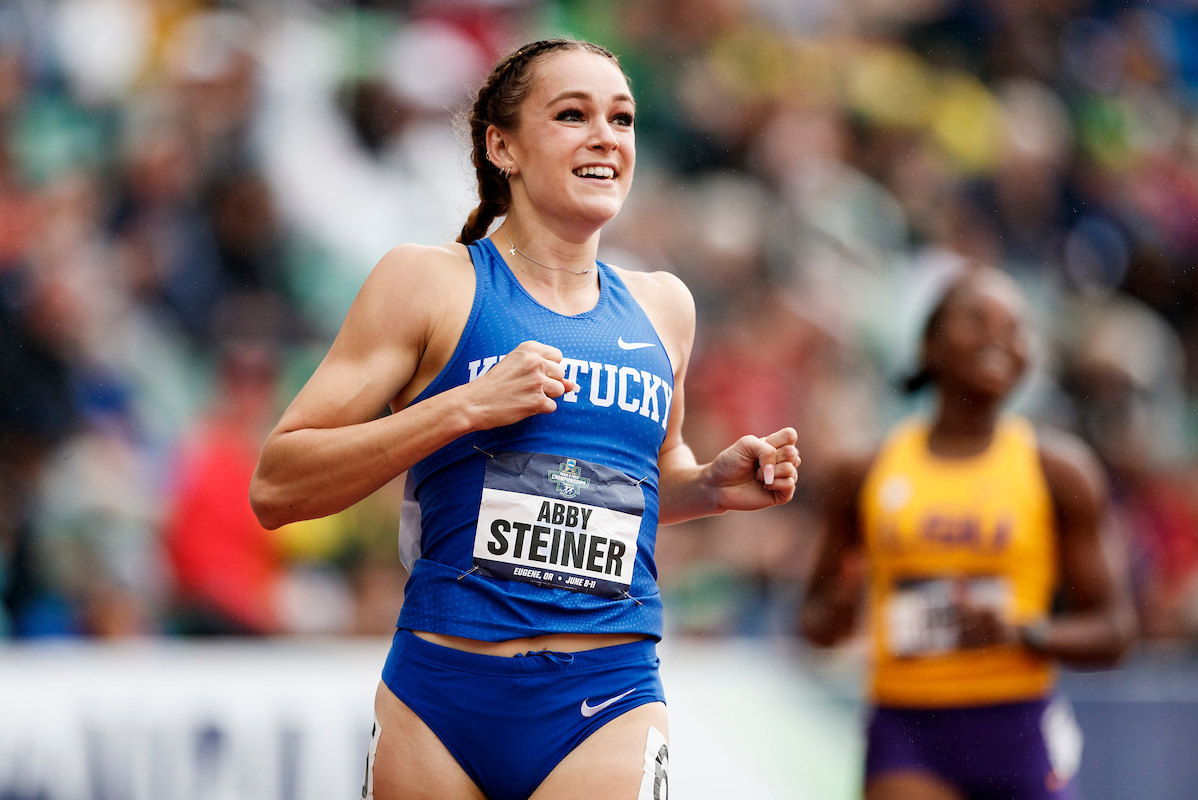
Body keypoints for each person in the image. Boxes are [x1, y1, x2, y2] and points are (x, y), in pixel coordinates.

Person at [250, 39, 800, 800]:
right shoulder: (429, 283)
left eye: (623, 118)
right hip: (440, 694)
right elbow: (277, 486)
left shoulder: (664, 307)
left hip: (605, 696)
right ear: (500, 145)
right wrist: (462, 407)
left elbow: (627, 482)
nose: (605, 136)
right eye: (572, 115)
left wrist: (706, 484)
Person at [800, 267, 1136, 800]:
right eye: (975, 319)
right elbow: (811, 623)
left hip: (1018, 726)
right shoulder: (864, 471)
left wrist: (1022, 632)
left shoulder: (1061, 472)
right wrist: (839, 611)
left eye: (1015, 326)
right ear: (930, 344)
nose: (997, 336)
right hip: (909, 727)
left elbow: (1115, 630)